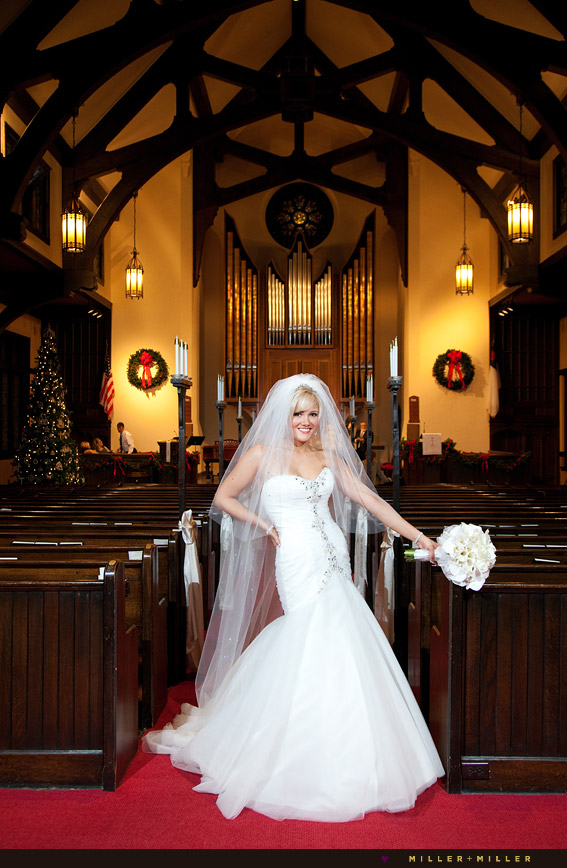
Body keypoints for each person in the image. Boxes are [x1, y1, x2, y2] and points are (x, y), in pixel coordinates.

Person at [143, 374, 443, 821]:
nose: (306, 421)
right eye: (298, 414)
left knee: (342, 637)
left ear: (321, 418)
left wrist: (421, 538)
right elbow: (223, 496)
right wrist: (263, 525)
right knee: (306, 633)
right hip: (296, 559)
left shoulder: (330, 455)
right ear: (284, 417)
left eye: (312, 414)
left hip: (333, 557)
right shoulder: (262, 455)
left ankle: (347, 747)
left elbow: (370, 500)